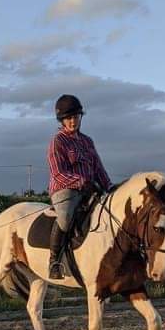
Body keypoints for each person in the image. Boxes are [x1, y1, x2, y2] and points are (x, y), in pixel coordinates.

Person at [46, 94, 112, 279]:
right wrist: (83, 182)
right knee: (66, 217)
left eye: (76, 117)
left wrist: (109, 186)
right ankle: (54, 262)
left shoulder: (87, 141)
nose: (73, 121)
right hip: (64, 189)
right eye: (69, 118)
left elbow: (98, 167)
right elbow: (58, 173)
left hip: (89, 189)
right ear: (62, 120)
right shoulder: (58, 141)